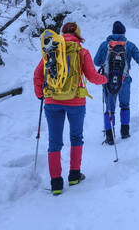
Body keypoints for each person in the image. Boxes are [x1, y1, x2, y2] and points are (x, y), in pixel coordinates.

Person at [33, 22, 107, 195]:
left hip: (52, 101)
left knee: (54, 141)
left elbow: (37, 74)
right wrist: (104, 79)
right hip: (76, 101)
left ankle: (56, 183)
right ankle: (74, 175)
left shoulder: (51, 50)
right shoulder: (81, 51)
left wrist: (40, 94)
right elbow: (93, 76)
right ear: (78, 35)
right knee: (76, 137)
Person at [94, 21, 139, 144]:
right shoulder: (130, 45)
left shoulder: (105, 45)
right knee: (125, 105)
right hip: (125, 80)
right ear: (123, 33)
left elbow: (96, 61)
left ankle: (109, 136)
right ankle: (125, 132)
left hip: (108, 81)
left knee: (110, 108)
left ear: (112, 32)